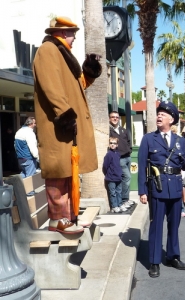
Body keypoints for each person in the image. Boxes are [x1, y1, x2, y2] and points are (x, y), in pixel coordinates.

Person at [33, 16, 102, 234]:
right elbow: (50, 87)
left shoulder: (63, 55)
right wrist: (64, 115)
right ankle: (57, 219)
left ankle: (68, 216)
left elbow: (78, 86)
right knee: (58, 172)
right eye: (73, 34)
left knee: (67, 173)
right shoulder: (48, 51)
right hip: (58, 127)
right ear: (62, 33)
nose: (74, 38)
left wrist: (89, 71)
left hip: (64, 127)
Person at [138, 101, 185, 278]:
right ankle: (154, 261)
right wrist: (142, 191)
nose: (159, 116)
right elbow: (141, 166)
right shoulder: (149, 139)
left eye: (163, 114)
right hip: (157, 187)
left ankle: (173, 256)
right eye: (158, 114)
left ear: (171, 119)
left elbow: (182, 163)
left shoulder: (179, 140)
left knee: (174, 224)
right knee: (156, 226)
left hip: (176, 188)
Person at [109, 111, 134, 209]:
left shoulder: (123, 130)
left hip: (128, 157)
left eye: (117, 117)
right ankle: (123, 200)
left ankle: (126, 200)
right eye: (112, 117)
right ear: (109, 119)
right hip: (120, 159)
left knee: (126, 179)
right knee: (127, 178)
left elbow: (128, 141)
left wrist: (130, 150)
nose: (115, 119)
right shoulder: (109, 131)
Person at [103, 137, 127, 213]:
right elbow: (105, 166)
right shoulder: (108, 154)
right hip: (111, 178)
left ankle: (120, 204)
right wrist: (109, 173)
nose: (112, 145)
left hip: (118, 176)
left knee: (119, 192)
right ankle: (114, 206)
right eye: (111, 143)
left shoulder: (118, 154)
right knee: (112, 193)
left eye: (114, 143)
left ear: (117, 145)